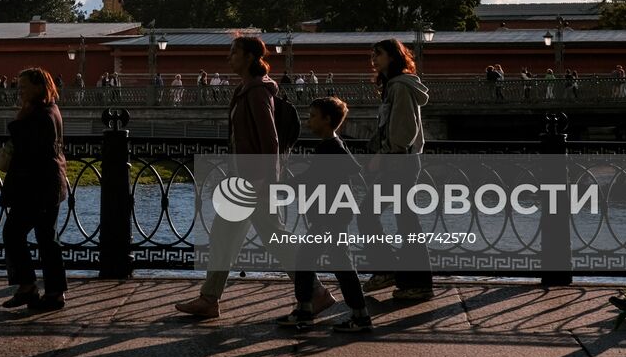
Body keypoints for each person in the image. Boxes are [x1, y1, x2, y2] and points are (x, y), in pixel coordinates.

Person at [175, 36, 330, 319]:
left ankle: (315, 292)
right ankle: (210, 299)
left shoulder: (258, 92)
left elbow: (270, 140)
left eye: (233, 53)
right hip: (245, 180)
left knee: (274, 237)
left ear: (248, 57)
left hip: (255, 182)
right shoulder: (248, 89)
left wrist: (266, 180)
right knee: (226, 235)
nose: (228, 58)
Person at [276, 96, 374, 335]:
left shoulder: (329, 149)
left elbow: (311, 179)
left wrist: (284, 185)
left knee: (329, 263)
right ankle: (308, 310)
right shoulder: (334, 146)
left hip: (330, 217)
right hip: (334, 216)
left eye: (312, 116)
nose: (309, 121)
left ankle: (351, 316)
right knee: (318, 261)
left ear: (327, 119)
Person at [360, 38, 433, 302]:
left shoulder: (399, 86)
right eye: (372, 54)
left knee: (370, 214)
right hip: (402, 160)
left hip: (398, 161)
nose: (373, 59)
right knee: (404, 220)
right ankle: (411, 280)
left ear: (392, 56)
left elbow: (404, 128)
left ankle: (392, 271)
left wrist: (386, 153)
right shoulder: (396, 85)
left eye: (378, 54)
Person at [0, 67, 69, 312]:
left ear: (39, 87)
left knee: (14, 233)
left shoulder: (41, 115)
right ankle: (48, 291)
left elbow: (29, 147)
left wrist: (18, 121)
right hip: (46, 185)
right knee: (45, 238)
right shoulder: (50, 110)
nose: (20, 91)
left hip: (38, 187)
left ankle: (33, 288)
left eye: (24, 86)